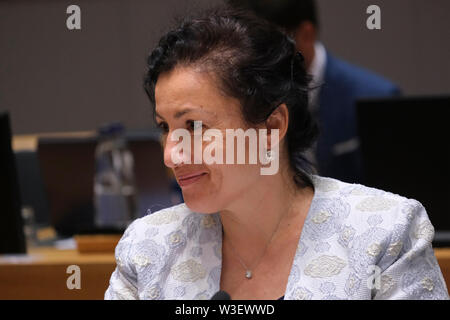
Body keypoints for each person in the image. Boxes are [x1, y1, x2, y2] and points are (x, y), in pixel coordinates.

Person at [105, 8, 448, 300]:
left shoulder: (386, 235)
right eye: (165, 127)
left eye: (194, 126)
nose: (171, 156)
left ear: (271, 127)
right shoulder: (147, 249)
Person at [227, 0, 401, 184]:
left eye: (264, 48)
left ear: (306, 34)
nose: (253, 60)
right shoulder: (238, 99)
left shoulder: (373, 96)